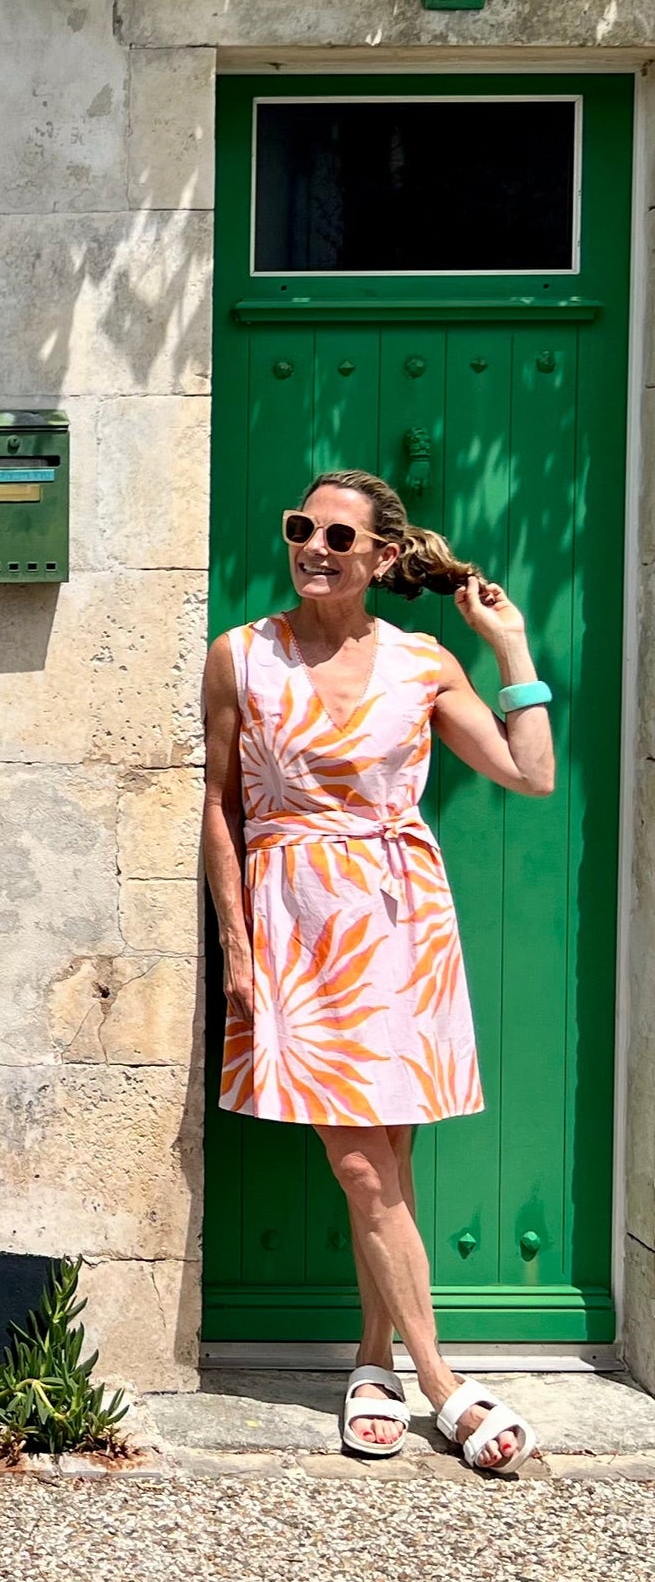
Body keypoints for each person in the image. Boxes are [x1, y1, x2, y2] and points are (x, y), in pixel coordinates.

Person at [201, 468, 557, 1471]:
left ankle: (372, 1362)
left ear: (381, 558)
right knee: (360, 1165)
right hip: (296, 927)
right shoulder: (238, 657)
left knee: (384, 1165)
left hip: (400, 928)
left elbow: (530, 776)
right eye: (298, 525)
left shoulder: (423, 664)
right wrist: (236, 943)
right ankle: (442, 1386)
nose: (312, 546)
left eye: (337, 536)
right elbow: (220, 810)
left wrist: (510, 647)